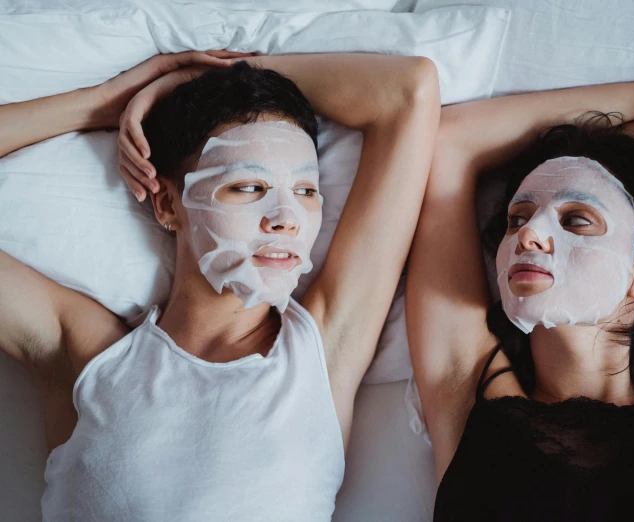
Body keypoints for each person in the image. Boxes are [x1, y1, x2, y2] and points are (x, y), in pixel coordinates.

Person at [0, 50, 440, 521]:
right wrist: (108, 103)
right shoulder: (88, 356)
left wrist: (198, 78)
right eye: (248, 186)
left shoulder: (322, 355)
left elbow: (409, 90)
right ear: (168, 204)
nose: (285, 219)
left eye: (306, 191)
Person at [406, 72, 634, 520]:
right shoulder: (464, 390)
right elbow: (448, 143)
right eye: (517, 218)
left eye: (576, 220)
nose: (528, 232)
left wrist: (608, 144)